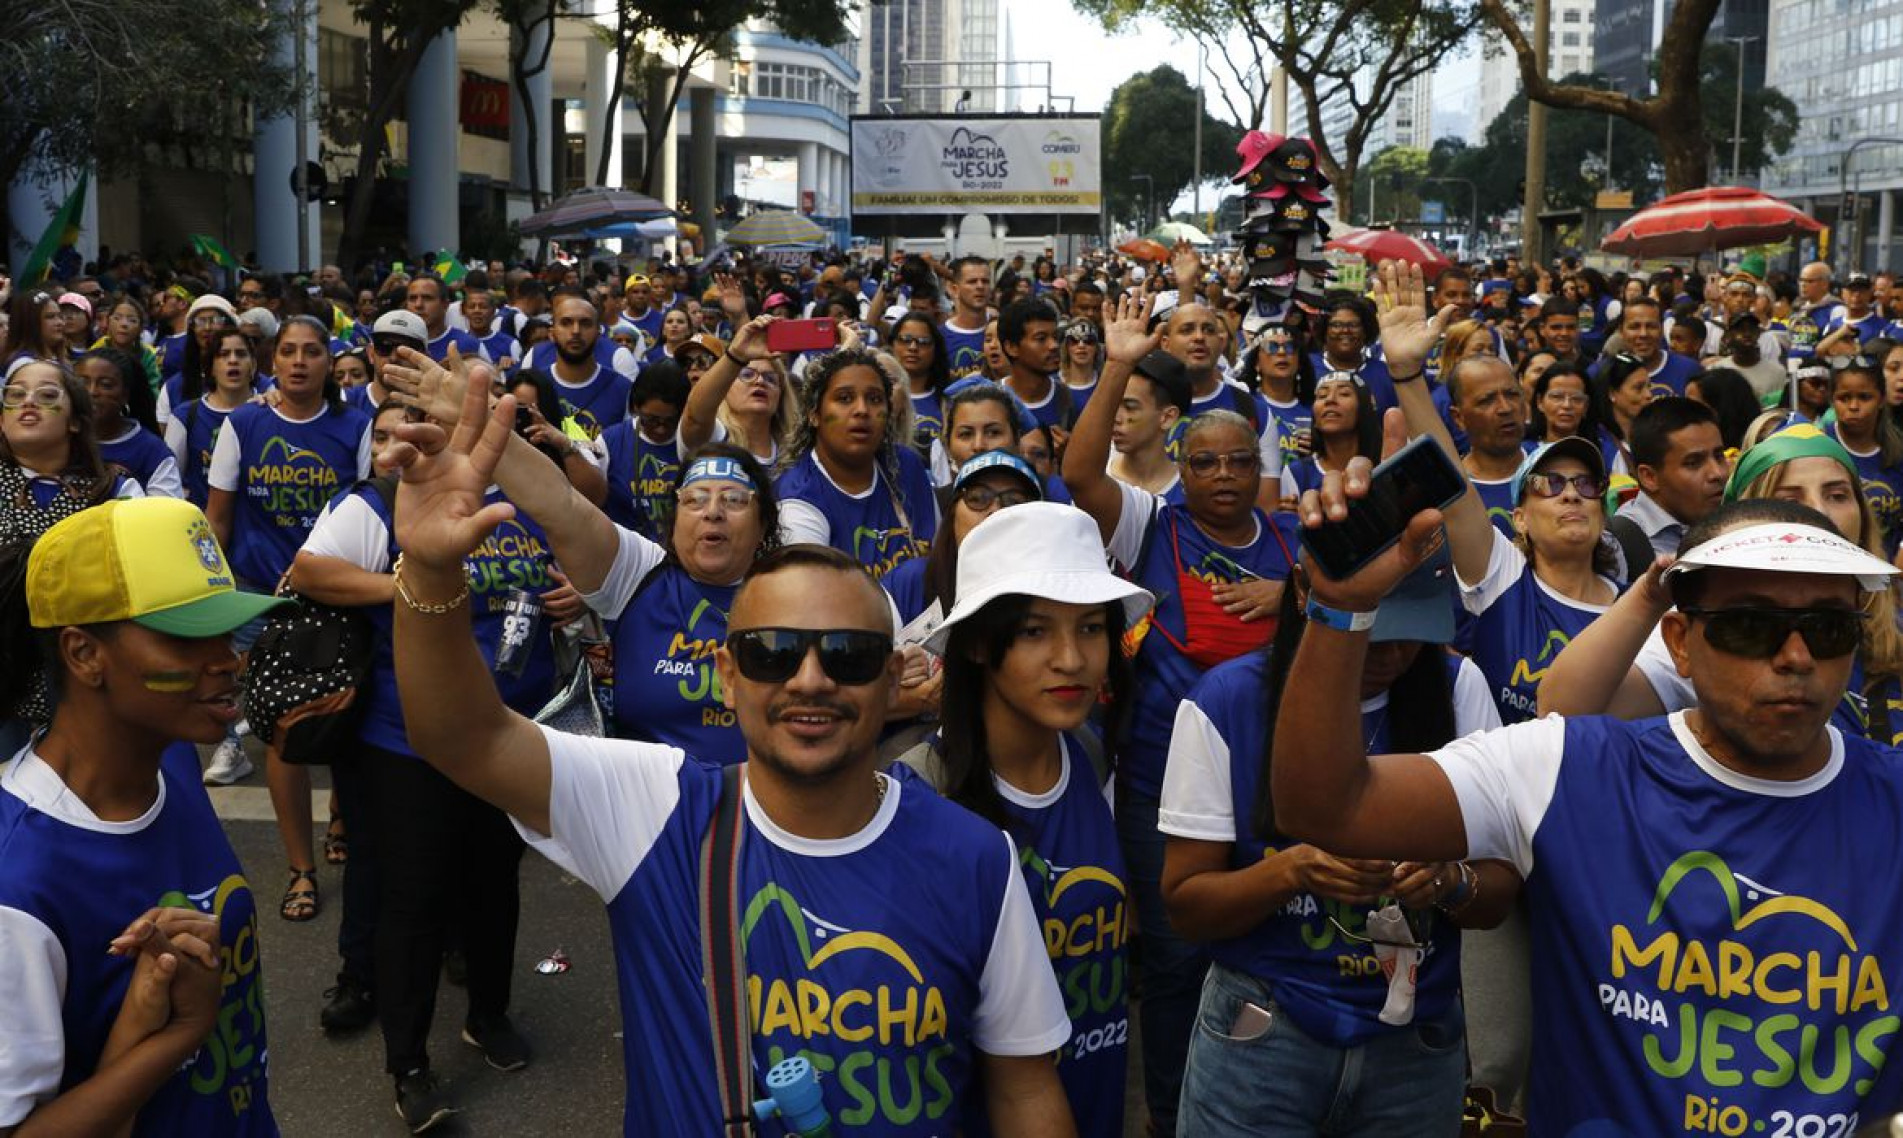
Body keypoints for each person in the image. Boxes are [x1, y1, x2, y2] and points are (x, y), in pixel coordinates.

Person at [379, 373, 1078, 1135]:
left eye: (845, 655)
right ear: (728, 670)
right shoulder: (654, 814)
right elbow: (464, 736)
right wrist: (429, 569)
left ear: (892, 678)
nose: (809, 678)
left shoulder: (976, 859)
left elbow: (1024, 1088)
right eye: (771, 653)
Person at [1274, 486, 1903, 1132]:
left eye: (1828, 629)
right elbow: (1324, 805)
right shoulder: (1565, 768)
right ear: (1680, 643)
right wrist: (1342, 609)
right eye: (1750, 625)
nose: (1795, 658)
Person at [1162, 561, 1513, 1135]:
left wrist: (1450, 882)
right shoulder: (1226, 701)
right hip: (1265, 1039)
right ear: (1304, 591)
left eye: (1409, 630)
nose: (1387, 649)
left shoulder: (1457, 691)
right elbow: (1185, 904)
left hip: (1414, 1053)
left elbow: (1499, 891)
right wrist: (1291, 872)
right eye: (1369, 623)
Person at [1063, 293, 1299, 1134]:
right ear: (1182, 466)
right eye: (1206, 464)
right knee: (1168, 962)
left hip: (1272, 789)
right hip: (1160, 788)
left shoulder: (1289, 544)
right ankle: (1172, 1115)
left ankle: (1256, 1102)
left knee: (1261, 958)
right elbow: (1080, 476)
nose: (1224, 477)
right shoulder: (1148, 527)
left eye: (1239, 463)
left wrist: (1293, 592)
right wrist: (1117, 362)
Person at [0, 497, 287, 1135]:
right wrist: (180, 1031)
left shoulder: (174, 761)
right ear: (83, 654)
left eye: (227, 628)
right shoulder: (16, 886)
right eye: (187, 634)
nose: (226, 658)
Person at [901, 501, 1151, 1138]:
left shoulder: (1095, 759)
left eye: (1091, 628)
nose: (1072, 659)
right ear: (981, 643)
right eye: (1036, 631)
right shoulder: (917, 794)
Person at [1382, 262, 1619, 725]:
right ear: (1520, 519)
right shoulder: (1504, 581)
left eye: (1586, 484)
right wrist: (1407, 375)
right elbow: (1448, 481)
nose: (1571, 495)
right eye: (1550, 484)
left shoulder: (1634, 607)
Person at [205, 315, 372, 903]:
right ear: (271, 361)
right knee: (281, 738)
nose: (299, 361)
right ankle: (301, 870)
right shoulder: (244, 425)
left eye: (312, 352)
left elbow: (370, 514)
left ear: (330, 362)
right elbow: (217, 519)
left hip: (334, 600)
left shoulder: (357, 426)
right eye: (288, 351)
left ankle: (341, 817)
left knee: (345, 721)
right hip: (258, 600)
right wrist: (216, 600)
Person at [775, 346, 939, 579]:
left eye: (874, 399)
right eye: (844, 398)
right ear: (814, 414)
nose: (862, 410)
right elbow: (810, 603)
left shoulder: (906, 464)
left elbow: (939, 556)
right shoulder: (798, 498)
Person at [1607, 397, 1730, 568]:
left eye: (1719, 456)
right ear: (1649, 477)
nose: (1717, 473)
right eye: (1693, 463)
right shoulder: (1618, 545)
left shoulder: (1734, 525)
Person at [166, 328, 262, 508]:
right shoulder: (186, 415)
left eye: (241, 354)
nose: (233, 360)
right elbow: (171, 481)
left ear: (253, 366)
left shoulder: (268, 409)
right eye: (223, 354)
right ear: (210, 367)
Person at [600, 360, 690, 541]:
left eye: (670, 421)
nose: (661, 429)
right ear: (635, 408)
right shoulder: (610, 441)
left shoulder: (694, 439)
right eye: (652, 419)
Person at [1824, 354, 1903, 556]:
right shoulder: (1818, 444)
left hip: (1888, 572)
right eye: (1844, 398)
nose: (1853, 406)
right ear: (1832, 400)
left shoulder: (1898, 451)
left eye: (1864, 397)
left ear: (1882, 399)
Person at [1444, 356, 1530, 538]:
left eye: (1512, 395)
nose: (1505, 408)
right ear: (1458, 418)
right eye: (1486, 400)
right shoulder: (1449, 495)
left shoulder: (1557, 463)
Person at [83, 346, 182, 498]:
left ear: (125, 394)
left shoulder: (152, 451)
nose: (92, 392)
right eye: (82, 382)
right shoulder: (57, 438)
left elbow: (166, 516)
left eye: (105, 385)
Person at [1106, 349, 1192, 497]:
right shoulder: (1093, 478)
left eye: (1130, 407)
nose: (1116, 417)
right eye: (1113, 404)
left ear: (1167, 418)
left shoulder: (1191, 492)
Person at [890, 312, 952, 456]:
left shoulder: (950, 398)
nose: (913, 347)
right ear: (892, 344)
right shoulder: (878, 396)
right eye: (905, 339)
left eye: (923, 341)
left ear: (936, 349)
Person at [404, 274, 486, 363]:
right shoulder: (394, 344)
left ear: (445, 304)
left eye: (427, 298)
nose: (418, 305)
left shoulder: (470, 345)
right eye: (412, 299)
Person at [942, 256, 993, 379]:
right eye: (972, 281)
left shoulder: (1003, 332)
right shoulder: (939, 337)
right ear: (955, 290)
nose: (980, 286)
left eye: (985, 281)